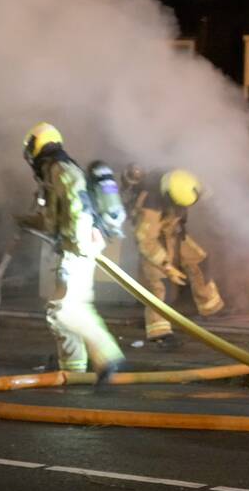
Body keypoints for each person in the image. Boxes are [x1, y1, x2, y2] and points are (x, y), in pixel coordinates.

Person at [17, 122, 125, 383]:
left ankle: (108, 354)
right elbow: (55, 219)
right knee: (60, 312)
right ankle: (73, 371)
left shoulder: (60, 168)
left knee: (67, 309)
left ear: (35, 147)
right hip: (73, 246)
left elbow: (77, 201)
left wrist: (78, 241)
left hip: (77, 248)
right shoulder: (52, 170)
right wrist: (26, 221)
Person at [130, 167, 224, 350]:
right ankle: (159, 332)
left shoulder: (183, 180)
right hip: (154, 240)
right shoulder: (151, 203)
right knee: (159, 283)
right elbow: (145, 240)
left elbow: (204, 191)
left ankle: (210, 307)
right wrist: (166, 265)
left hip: (174, 232)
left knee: (199, 260)